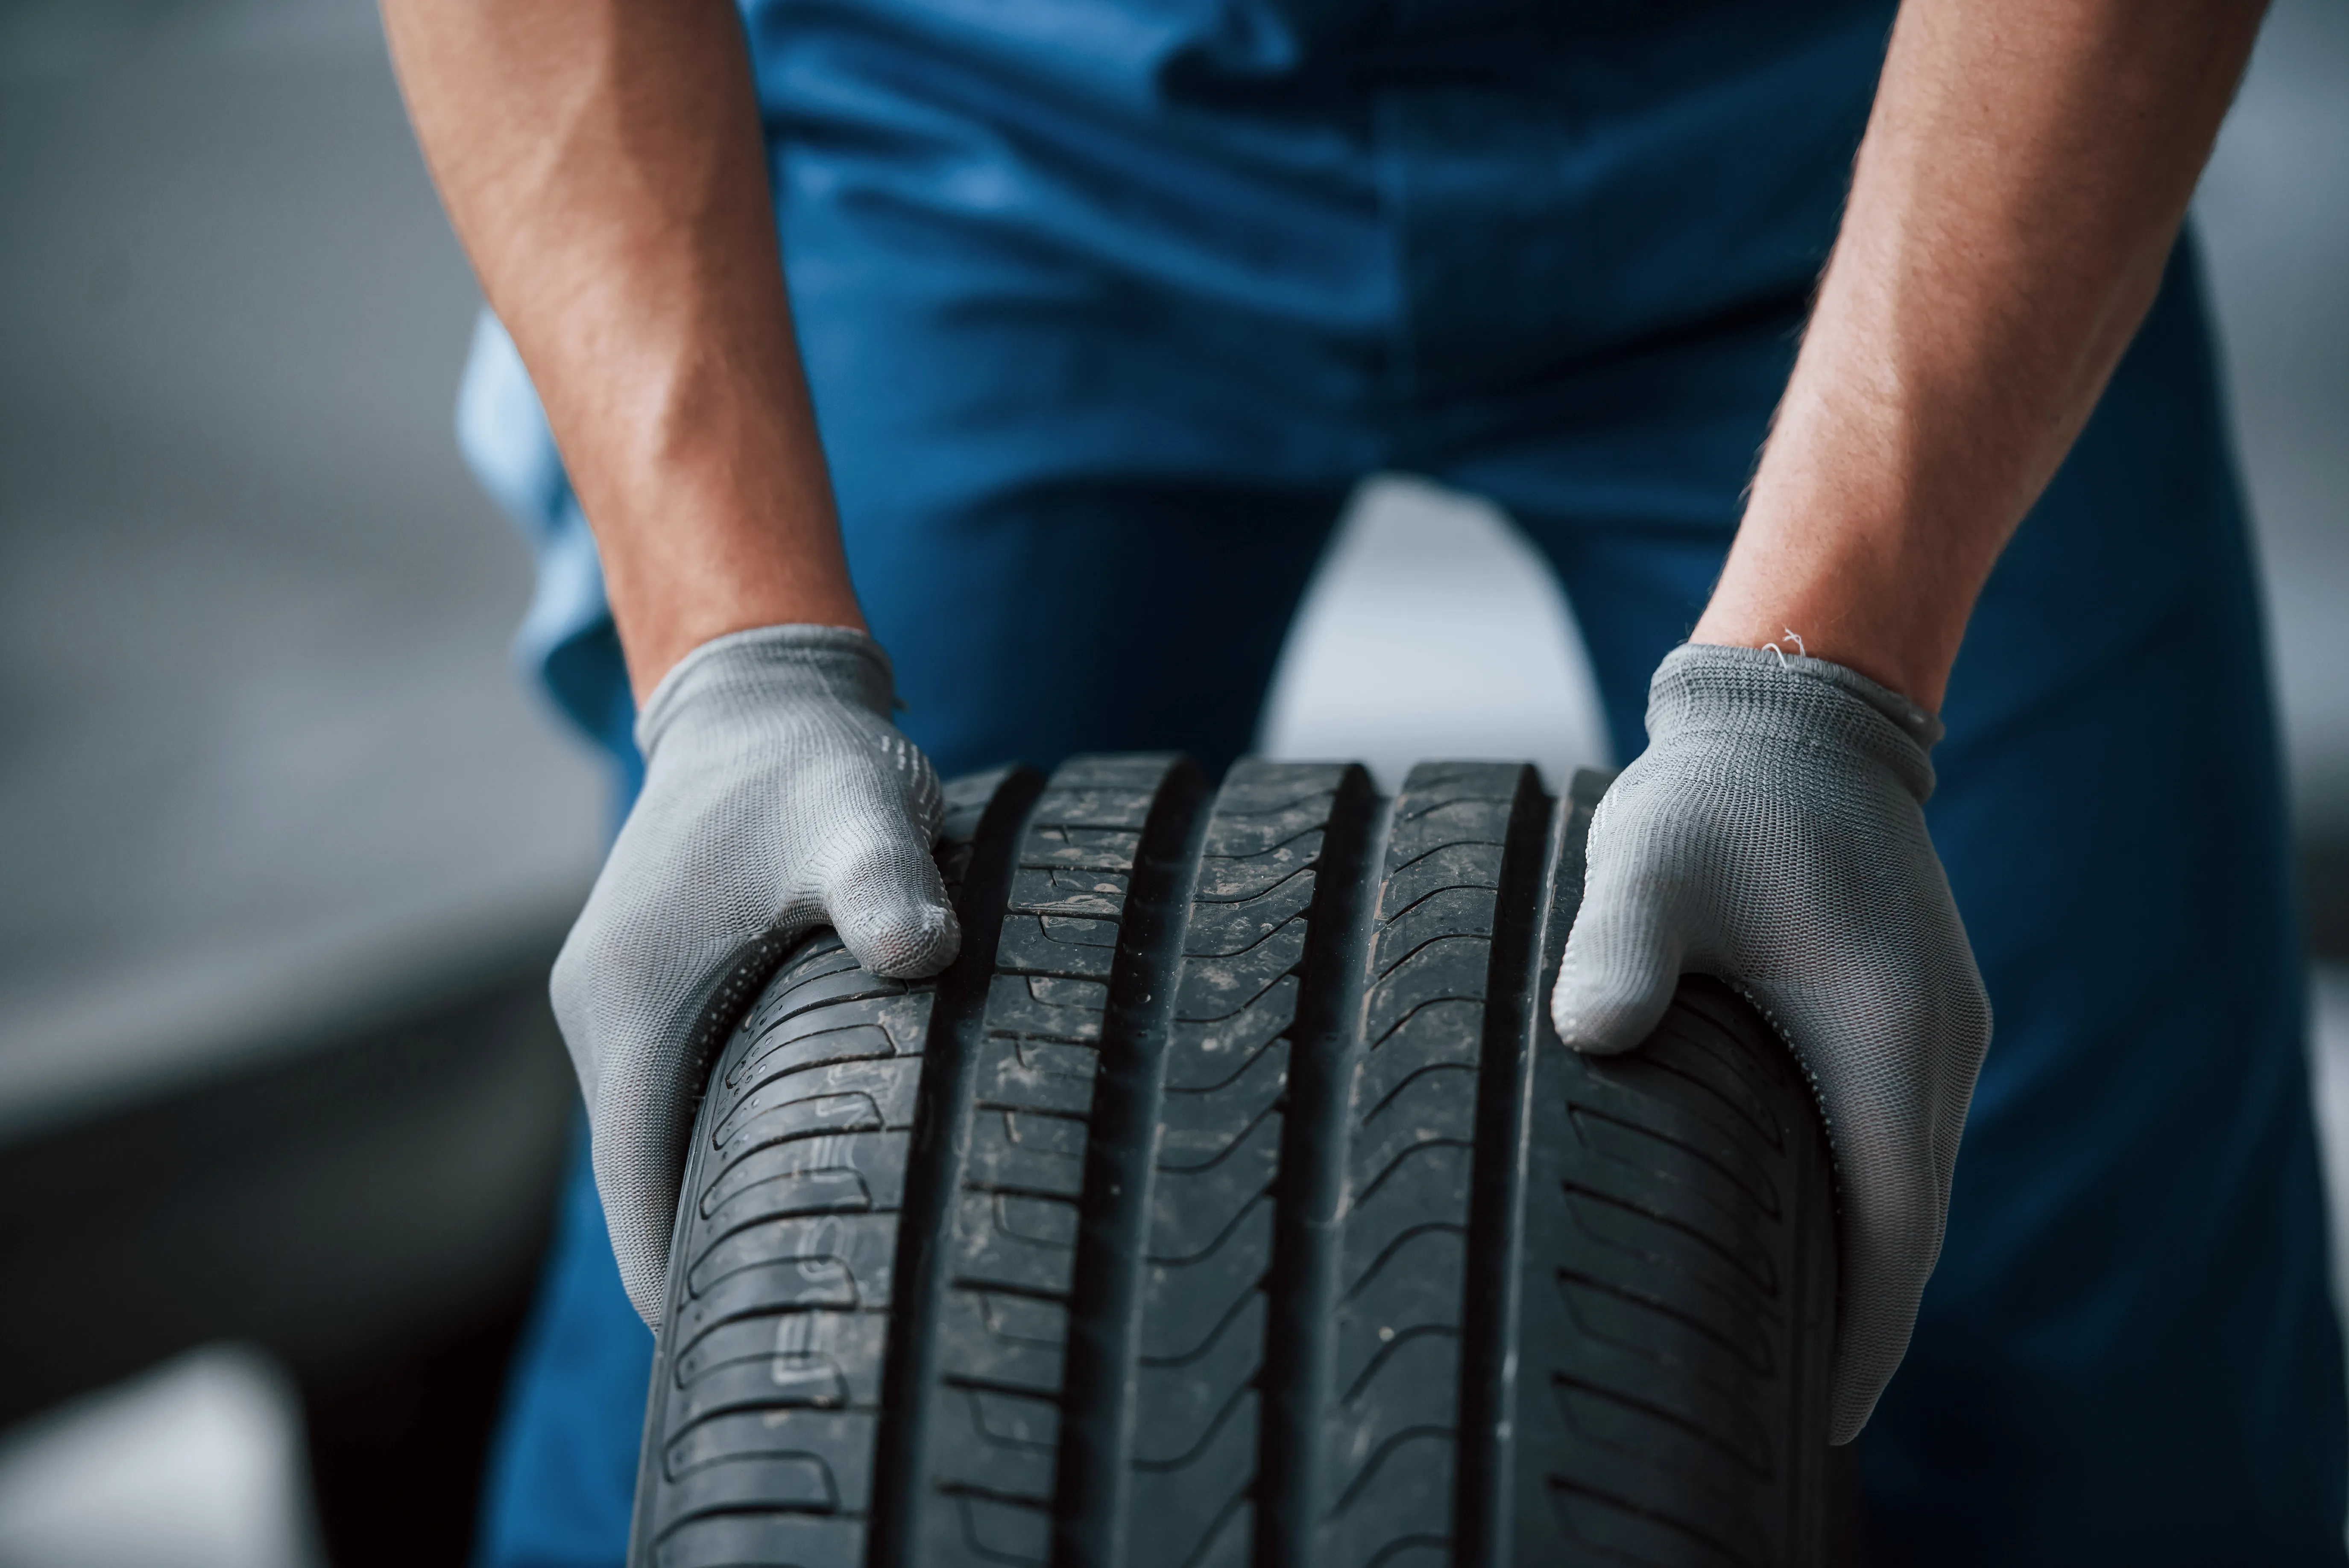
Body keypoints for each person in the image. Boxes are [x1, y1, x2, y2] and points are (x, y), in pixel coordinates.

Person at [380, 0, 2345, 1559]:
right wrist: (735, 663)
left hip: (1840, 123)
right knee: (750, 1343)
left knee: (2112, 1394)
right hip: (986, 120)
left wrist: (1832, 694)